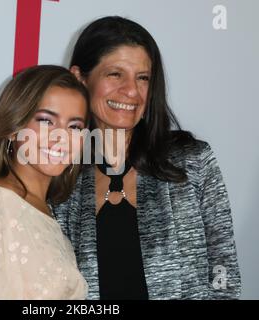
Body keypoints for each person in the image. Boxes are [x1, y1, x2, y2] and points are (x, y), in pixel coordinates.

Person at [52, 16, 241, 300]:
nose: (131, 91)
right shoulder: (58, 173)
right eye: (115, 74)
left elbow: (224, 276)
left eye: (142, 78)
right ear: (80, 78)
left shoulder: (193, 162)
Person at [0, 65, 90, 299]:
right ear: (13, 129)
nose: (62, 138)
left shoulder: (39, 206)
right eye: (46, 121)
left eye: (74, 126)